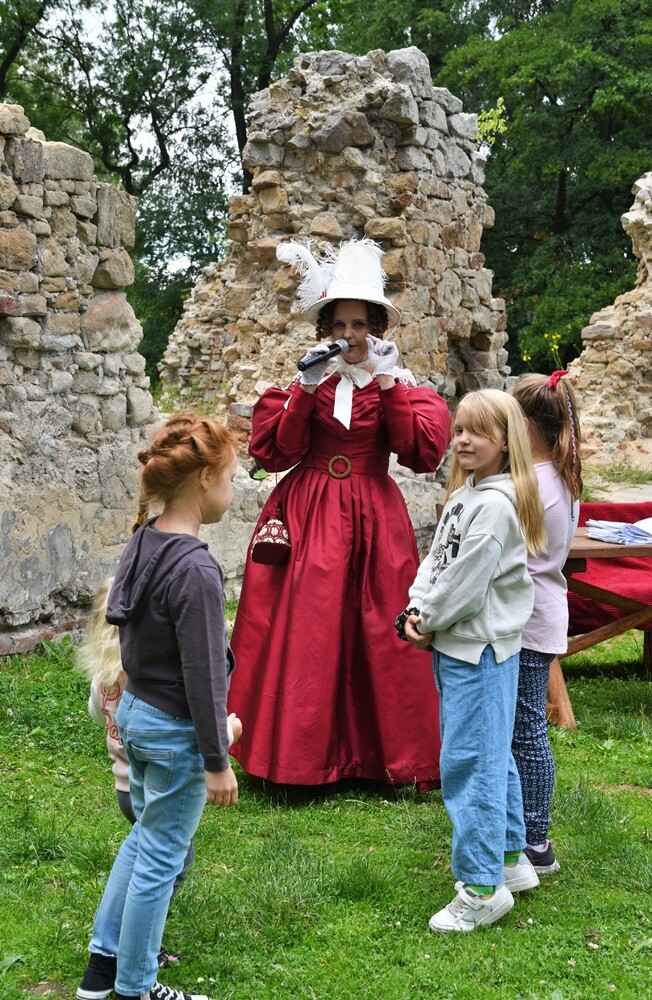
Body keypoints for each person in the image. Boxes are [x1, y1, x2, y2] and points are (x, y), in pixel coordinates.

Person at [228, 238, 451, 787]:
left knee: (378, 626)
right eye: (340, 325)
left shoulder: (402, 386)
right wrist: (305, 391)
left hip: (376, 514)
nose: (350, 336)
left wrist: (389, 385)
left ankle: (383, 757)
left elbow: (421, 454)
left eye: (360, 325)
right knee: (312, 629)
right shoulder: (303, 385)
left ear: (378, 329)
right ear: (325, 330)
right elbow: (272, 454)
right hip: (309, 512)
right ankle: (300, 756)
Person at [76, 412, 240, 1000]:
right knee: (160, 860)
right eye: (229, 474)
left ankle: (102, 970)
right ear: (202, 479)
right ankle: (135, 988)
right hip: (173, 732)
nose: (234, 486)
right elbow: (204, 675)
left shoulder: (144, 539)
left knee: (143, 839)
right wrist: (216, 759)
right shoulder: (195, 568)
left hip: (140, 716)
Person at [397, 388, 547, 932]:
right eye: (459, 429)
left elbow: (463, 586)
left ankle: (482, 887)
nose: (462, 439)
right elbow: (437, 560)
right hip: (463, 648)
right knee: (492, 755)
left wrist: (427, 619)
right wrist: (416, 606)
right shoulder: (468, 496)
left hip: (478, 653)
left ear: (506, 443)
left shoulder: (494, 507)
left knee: (470, 765)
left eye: (477, 431)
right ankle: (510, 861)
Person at [77, 578, 243, 967]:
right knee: (167, 865)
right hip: (158, 783)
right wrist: (229, 734)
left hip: (125, 787)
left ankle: (120, 943)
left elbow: (94, 714)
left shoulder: (103, 681)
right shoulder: (147, 679)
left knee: (145, 856)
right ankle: (141, 941)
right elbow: (179, 738)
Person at [510, 370, 582, 875]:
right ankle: (528, 829)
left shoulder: (534, 485)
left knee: (526, 729)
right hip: (543, 610)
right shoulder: (560, 476)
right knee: (526, 725)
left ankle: (535, 837)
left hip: (527, 617)